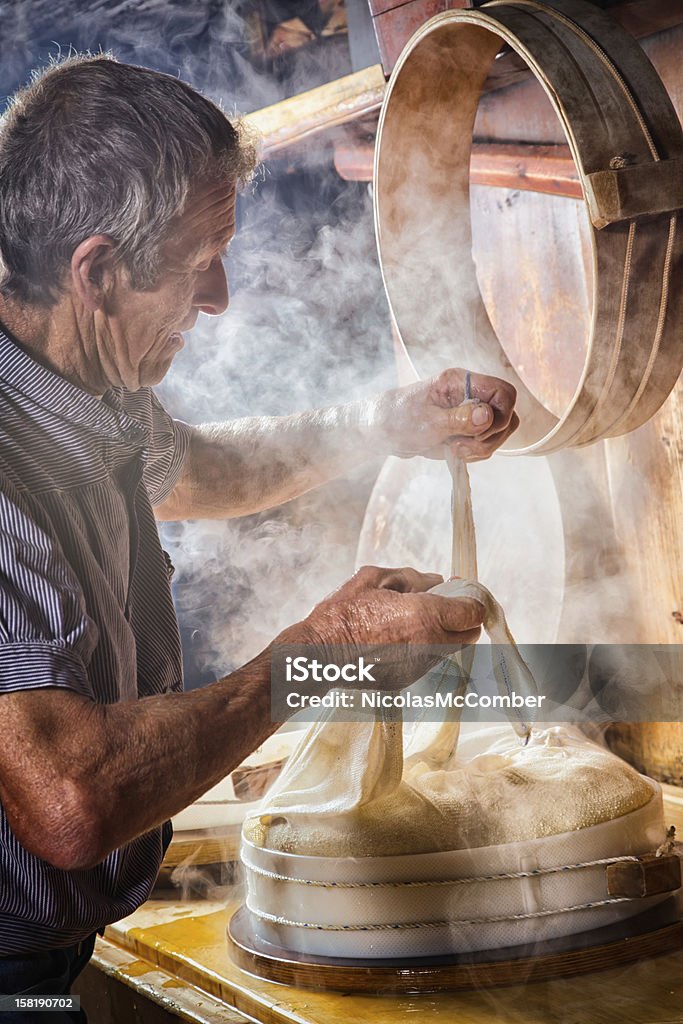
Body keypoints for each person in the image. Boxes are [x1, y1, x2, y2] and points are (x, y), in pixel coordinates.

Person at [0, 54, 518, 1008]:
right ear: (99, 271)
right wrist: (325, 651)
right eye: (201, 264)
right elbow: (71, 804)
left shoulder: (72, 380)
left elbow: (198, 469)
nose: (220, 298)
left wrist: (387, 424)